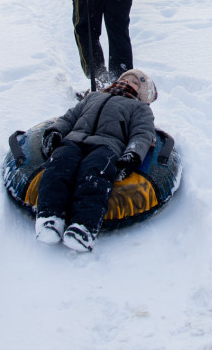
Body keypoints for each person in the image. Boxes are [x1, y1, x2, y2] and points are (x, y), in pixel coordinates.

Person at [34, 69, 159, 252]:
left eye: (135, 82)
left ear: (141, 93)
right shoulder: (92, 97)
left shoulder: (140, 108)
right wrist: (56, 131)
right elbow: (69, 117)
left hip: (107, 146)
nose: (128, 82)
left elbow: (142, 134)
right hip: (74, 140)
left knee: (94, 172)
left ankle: (83, 226)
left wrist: (132, 155)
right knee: (59, 164)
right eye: (126, 78)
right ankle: (50, 217)